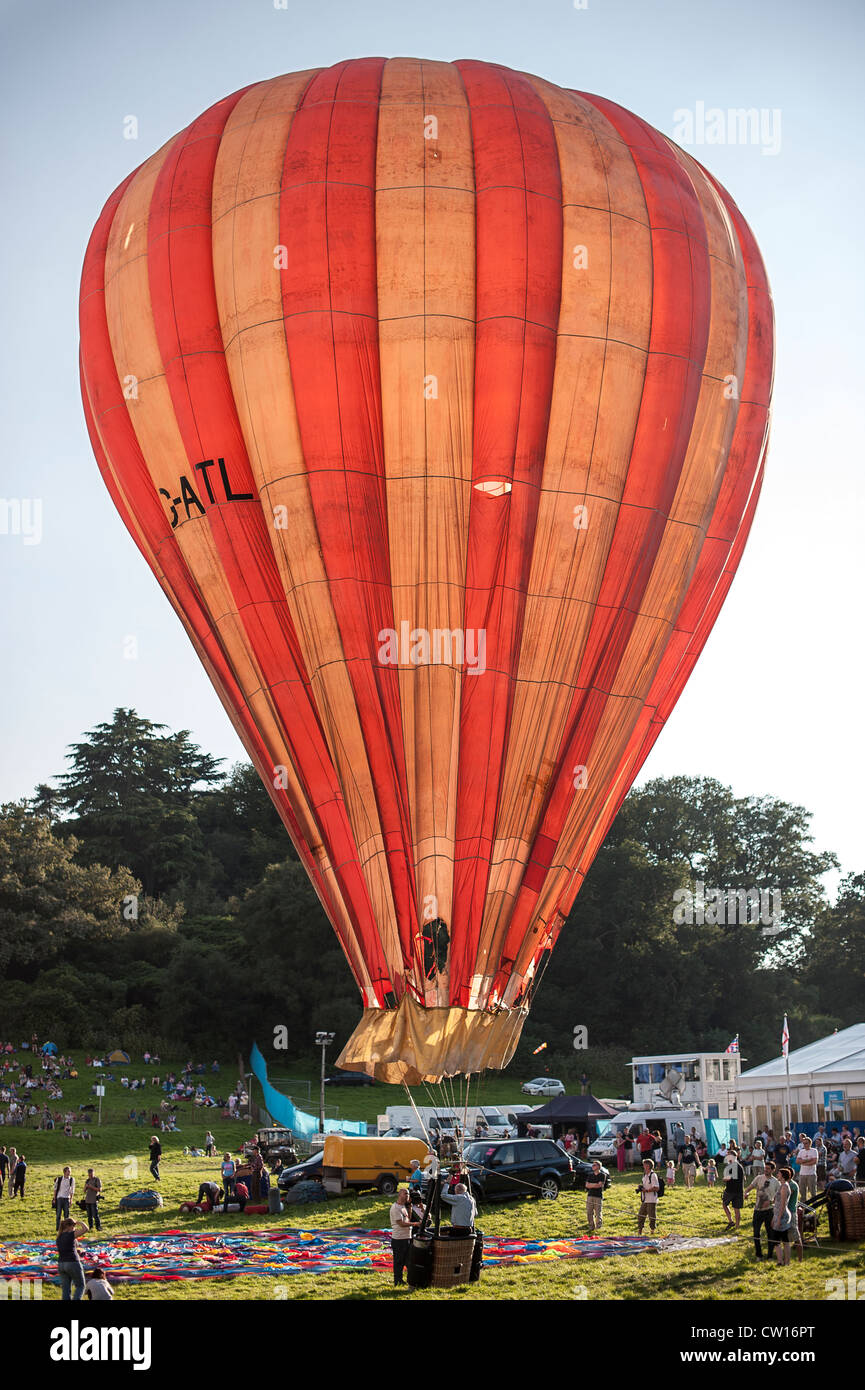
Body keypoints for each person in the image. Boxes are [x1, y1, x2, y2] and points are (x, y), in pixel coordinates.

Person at [747, 1160, 779, 1260]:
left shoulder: (776, 1182)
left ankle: (770, 1255)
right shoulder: (759, 1178)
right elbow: (750, 1187)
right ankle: (758, 1254)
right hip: (757, 1210)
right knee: (756, 1233)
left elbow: (778, 1198)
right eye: (765, 1168)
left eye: (768, 1169)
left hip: (769, 1211)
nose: (766, 1170)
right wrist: (746, 1192)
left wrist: (770, 1202)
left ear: (773, 1170)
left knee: (770, 1234)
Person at [389, 1189, 417, 1286]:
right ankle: (397, 1281)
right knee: (398, 1262)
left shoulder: (404, 1206)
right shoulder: (395, 1208)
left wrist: (409, 1206)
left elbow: (408, 1218)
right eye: (405, 1194)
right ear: (399, 1195)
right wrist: (415, 1224)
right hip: (399, 1239)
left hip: (406, 1238)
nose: (407, 1196)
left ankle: (407, 1280)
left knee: (408, 1261)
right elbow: (401, 1223)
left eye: (408, 1194)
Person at [56, 1217, 87, 1300]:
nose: (75, 1228)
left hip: (61, 1264)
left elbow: (72, 1244)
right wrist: (79, 1222)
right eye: (74, 1226)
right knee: (81, 1286)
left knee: (65, 1289)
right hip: (72, 1262)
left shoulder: (59, 1237)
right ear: (70, 1226)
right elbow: (85, 1229)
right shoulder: (71, 1234)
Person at [770, 1168, 794, 1266]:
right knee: (778, 1240)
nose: (777, 1174)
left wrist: (778, 1219)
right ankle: (781, 1261)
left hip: (782, 1215)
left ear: (783, 1176)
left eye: (779, 1174)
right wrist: (774, 1218)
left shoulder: (784, 1187)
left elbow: (783, 1204)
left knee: (783, 1240)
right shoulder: (782, 1186)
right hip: (777, 1214)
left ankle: (785, 1262)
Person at [722, 1147, 746, 1231]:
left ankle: (731, 1222)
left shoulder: (733, 1166)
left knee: (725, 1205)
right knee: (736, 1209)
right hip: (739, 1190)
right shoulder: (739, 1166)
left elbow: (728, 1178)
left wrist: (724, 1179)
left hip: (731, 1191)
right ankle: (736, 1226)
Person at [637, 1159, 660, 1234]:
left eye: (644, 1165)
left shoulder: (653, 1175)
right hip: (645, 1199)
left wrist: (646, 1191)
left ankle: (652, 1230)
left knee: (651, 1216)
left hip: (651, 1199)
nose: (643, 1166)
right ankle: (640, 1230)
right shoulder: (645, 1175)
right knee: (640, 1215)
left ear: (648, 1166)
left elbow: (656, 1188)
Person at [585, 1160, 607, 1232]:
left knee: (598, 1213)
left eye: (594, 1165)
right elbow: (587, 1185)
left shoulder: (602, 1175)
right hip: (590, 1195)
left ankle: (598, 1227)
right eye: (592, 1165)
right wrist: (595, 1185)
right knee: (589, 1212)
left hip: (598, 1196)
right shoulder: (590, 1175)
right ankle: (591, 1226)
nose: (592, 1166)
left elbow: (599, 1185)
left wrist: (592, 1185)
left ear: (598, 1166)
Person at [795, 1135, 818, 1202]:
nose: (805, 1145)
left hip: (811, 1173)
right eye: (804, 1143)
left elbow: (814, 1161)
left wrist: (803, 1162)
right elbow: (797, 1161)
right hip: (802, 1173)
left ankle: (814, 1204)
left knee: (813, 1191)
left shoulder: (814, 1151)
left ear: (810, 1143)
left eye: (806, 1143)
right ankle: (803, 1205)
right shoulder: (801, 1151)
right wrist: (808, 1160)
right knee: (802, 1191)